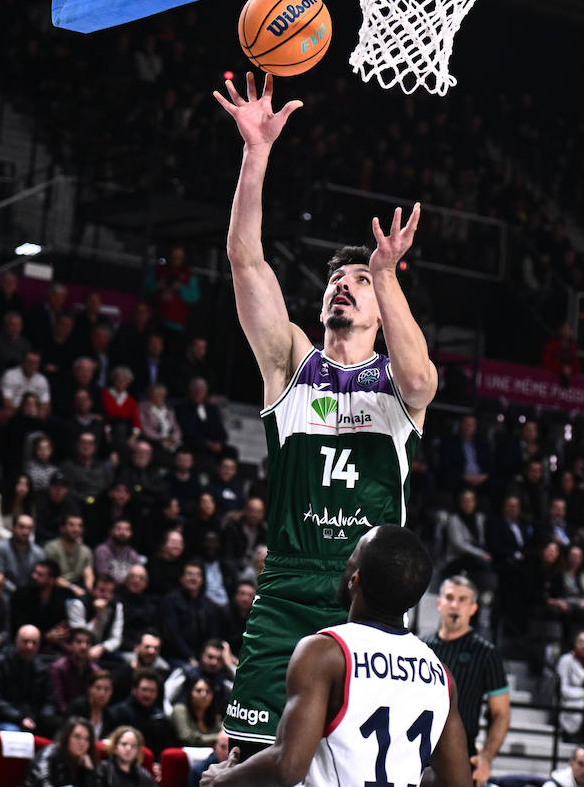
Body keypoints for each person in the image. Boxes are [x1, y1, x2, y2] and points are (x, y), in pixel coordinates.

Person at [214, 68, 437, 757]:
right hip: (285, 591)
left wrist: (386, 273)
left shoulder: (398, 387)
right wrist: (256, 153)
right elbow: (246, 261)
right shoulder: (289, 365)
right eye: (338, 280)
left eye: (358, 283)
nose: (345, 286)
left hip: (366, 603)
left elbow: (422, 375)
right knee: (246, 764)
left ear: (382, 307)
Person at [199, 525, 469, 787]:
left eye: (350, 559)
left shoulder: (326, 653)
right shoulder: (441, 676)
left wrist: (223, 779)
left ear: (355, 579)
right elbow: (457, 782)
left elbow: (287, 766)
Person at [424, 576, 510, 787]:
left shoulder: (486, 653)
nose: (455, 605)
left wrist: (487, 757)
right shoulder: (421, 646)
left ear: (473, 608)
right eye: (450, 597)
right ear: (439, 603)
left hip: (462, 751)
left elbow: (501, 714)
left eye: (463, 599)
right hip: (421, 746)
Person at [26, 717, 104, 787]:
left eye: (87, 739)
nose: (82, 742)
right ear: (66, 738)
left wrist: (89, 772)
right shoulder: (48, 754)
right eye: (77, 736)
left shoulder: (83, 764)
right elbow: (42, 782)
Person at [173, 674, 225, 748]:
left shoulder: (214, 714)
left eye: (208, 691)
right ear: (190, 693)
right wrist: (218, 738)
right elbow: (187, 739)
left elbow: (224, 733)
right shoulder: (180, 709)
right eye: (198, 691)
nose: (203, 695)